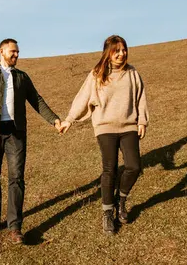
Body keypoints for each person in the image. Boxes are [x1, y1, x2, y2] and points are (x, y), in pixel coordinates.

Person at [0, 38, 64, 244]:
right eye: (12, 52)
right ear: (1, 51)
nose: (16, 55)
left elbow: (36, 100)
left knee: (16, 179)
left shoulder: (22, 77)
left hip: (16, 134)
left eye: (18, 52)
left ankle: (15, 226)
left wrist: (54, 120)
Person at [60, 35, 148, 235]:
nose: (121, 54)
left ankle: (121, 200)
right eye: (117, 50)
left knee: (134, 166)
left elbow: (141, 97)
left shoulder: (132, 73)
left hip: (129, 126)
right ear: (108, 52)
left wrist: (142, 120)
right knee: (110, 170)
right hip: (105, 127)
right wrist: (69, 119)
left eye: (124, 49)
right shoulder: (97, 74)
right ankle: (108, 213)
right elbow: (82, 97)